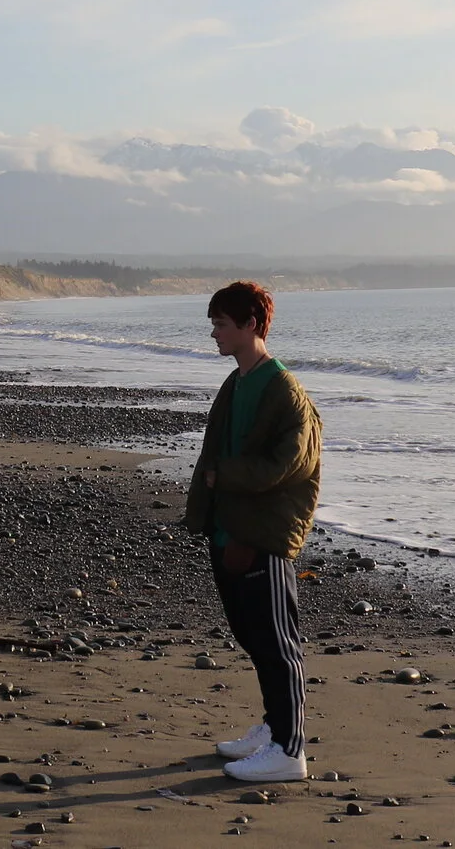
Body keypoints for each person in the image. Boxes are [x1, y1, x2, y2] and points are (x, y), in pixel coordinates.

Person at [184, 279, 323, 782]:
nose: (214, 333)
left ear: (250, 325)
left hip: (262, 534)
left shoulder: (284, 388)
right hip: (229, 527)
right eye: (214, 324)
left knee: (277, 641)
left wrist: (226, 476)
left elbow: (292, 464)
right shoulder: (236, 381)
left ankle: (290, 750)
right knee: (251, 635)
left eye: (221, 324)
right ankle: (272, 728)